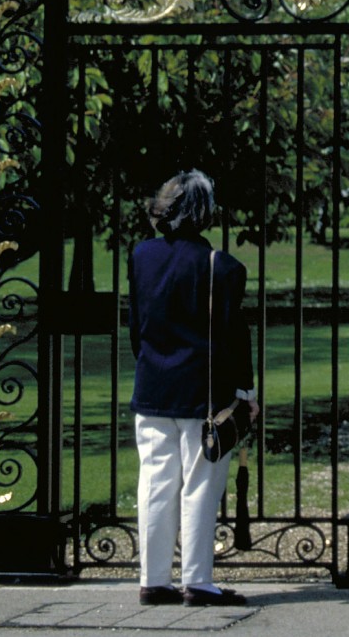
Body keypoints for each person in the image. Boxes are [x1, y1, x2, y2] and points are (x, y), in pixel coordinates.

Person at [128, 170, 257, 607]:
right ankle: (198, 581)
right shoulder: (222, 267)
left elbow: (136, 327)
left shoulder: (140, 257)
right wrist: (245, 393)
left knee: (155, 483)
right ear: (204, 213)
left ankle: (154, 580)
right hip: (204, 397)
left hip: (152, 387)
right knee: (200, 485)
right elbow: (234, 339)